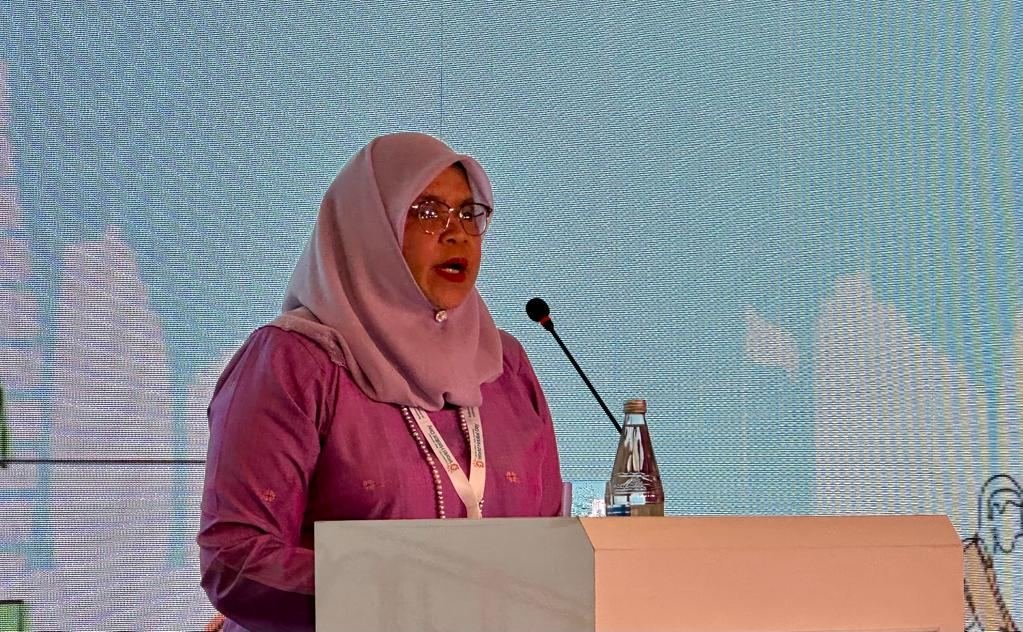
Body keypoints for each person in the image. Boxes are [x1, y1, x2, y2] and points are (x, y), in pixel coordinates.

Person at [197, 132, 564, 632]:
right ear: (369, 227)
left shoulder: (506, 366)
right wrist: (404, 597)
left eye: (469, 213)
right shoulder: (295, 362)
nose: (456, 234)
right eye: (428, 212)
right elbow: (237, 559)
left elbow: (547, 543)